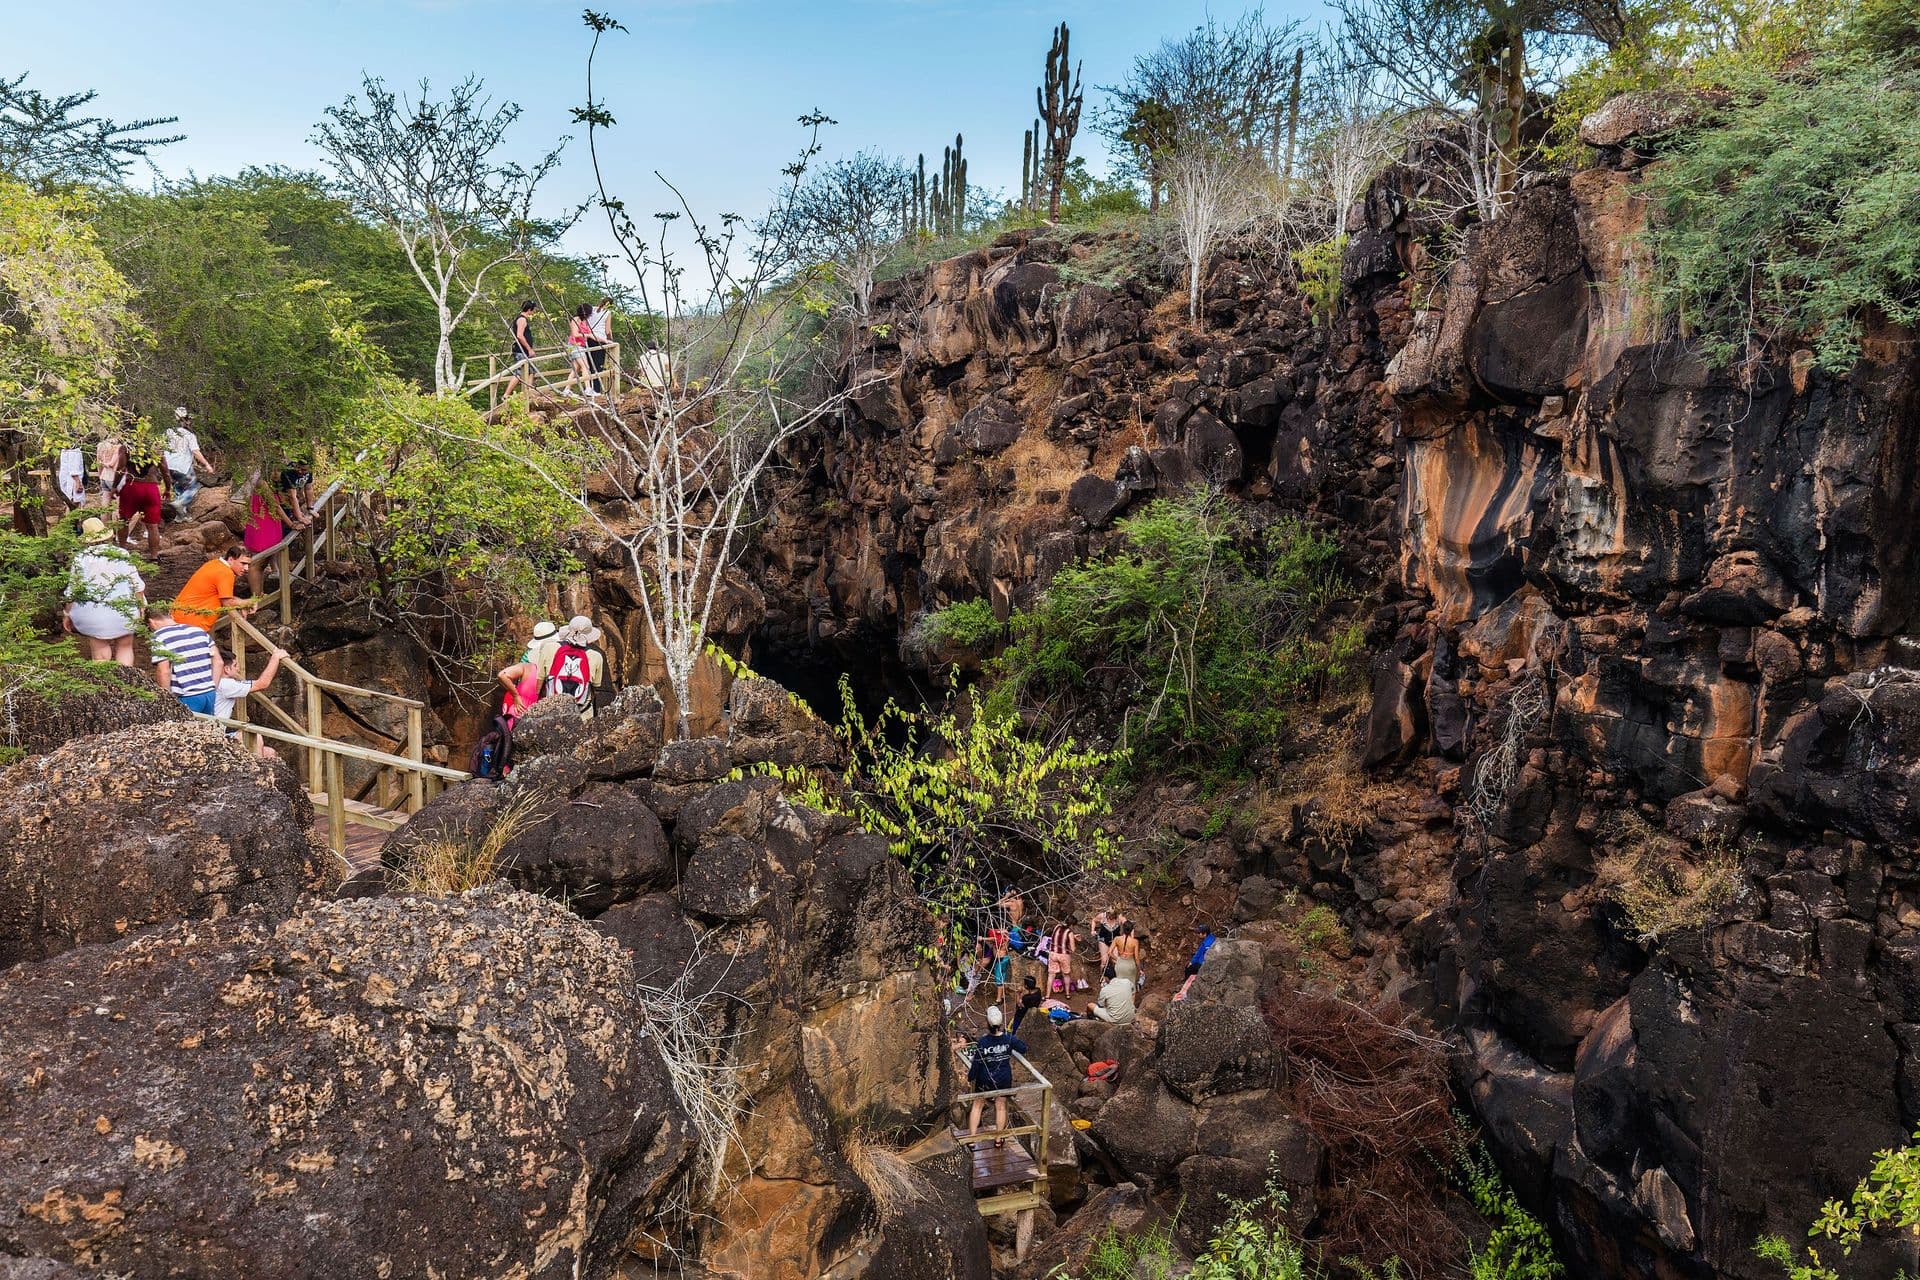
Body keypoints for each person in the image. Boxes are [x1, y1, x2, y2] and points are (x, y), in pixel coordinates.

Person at [62, 517, 145, 666]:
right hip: (124, 610)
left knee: (99, 652)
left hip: (93, 614)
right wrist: (140, 607)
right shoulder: (122, 554)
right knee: (125, 646)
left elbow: (73, 591)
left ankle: (105, 685)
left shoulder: (81, 558)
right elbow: (137, 586)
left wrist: (67, 613)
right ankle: (126, 682)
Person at [964, 1005, 1028, 1146]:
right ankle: (998, 1139)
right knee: (1001, 1105)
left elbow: (977, 1063)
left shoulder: (983, 1042)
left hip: (985, 1078)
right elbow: (1023, 1048)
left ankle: (972, 1139)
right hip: (1003, 1077)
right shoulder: (1009, 1039)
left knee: (977, 1105)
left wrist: (970, 1077)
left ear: (987, 1024)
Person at [211, 646, 288, 758]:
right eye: (235, 665)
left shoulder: (220, 683)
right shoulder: (225, 684)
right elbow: (263, 683)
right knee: (255, 736)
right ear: (227, 669)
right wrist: (275, 658)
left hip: (220, 733)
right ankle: (257, 774)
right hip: (216, 737)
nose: (238, 669)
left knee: (269, 752)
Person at [149, 605, 222, 715]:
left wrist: (166, 698)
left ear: (151, 622)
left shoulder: (159, 637)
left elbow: (163, 671)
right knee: (207, 730)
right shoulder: (199, 631)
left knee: (182, 730)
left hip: (186, 696)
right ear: (171, 616)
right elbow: (218, 662)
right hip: (209, 693)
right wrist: (212, 687)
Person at [541, 614, 609, 717]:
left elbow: (539, 680)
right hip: (581, 712)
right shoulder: (596, 656)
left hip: (552, 709)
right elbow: (596, 686)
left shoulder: (549, 648)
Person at [172, 546, 254, 630]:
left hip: (179, 617)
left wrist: (241, 604)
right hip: (190, 624)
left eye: (248, 565)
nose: (246, 568)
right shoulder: (225, 573)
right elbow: (228, 602)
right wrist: (249, 602)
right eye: (243, 563)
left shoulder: (214, 563)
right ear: (231, 560)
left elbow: (224, 597)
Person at [116, 445, 168, 557]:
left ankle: (122, 550)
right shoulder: (157, 448)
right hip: (151, 488)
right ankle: (154, 555)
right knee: (152, 525)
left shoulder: (127, 447)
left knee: (124, 520)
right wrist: (168, 488)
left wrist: (114, 487)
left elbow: (121, 468)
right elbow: (165, 471)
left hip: (132, 486)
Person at [241, 480, 289, 596]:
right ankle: (256, 598)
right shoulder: (261, 482)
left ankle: (261, 593)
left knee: (266, 559)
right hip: (262, 527)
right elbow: (275, 505)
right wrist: (291, 524)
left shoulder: (274, 482)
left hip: (270, 524)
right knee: (257, 564)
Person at [164, 408, 213, 516]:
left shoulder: (168, 432)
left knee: (178, 488)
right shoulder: (189, 435)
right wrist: (207, 464)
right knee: (193, 487)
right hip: (182, 466)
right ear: (186, 420)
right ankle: (180, 503)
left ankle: (180, 516)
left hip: (168, 466)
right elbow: (195, 452)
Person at [501, 301, 540, 399]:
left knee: (531, 371)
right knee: (519, 373)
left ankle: (528, 392)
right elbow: (520, 335)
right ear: (529, 309)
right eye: (534, 309)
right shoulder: (522, 319)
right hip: (521, 351)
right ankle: (506, 395)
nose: (534, 311)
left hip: (523, 351)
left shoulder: (522, 319)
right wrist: (529, 349)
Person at [1087, 957, 1138, 1026]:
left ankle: (1092, 1021)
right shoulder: (1126, 982)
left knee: (1090, 1005)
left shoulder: (1105, 990)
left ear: (1106, 978)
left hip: (1115, 1020)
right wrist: (1132, 1004)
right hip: (1131, 1017)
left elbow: (1100, 1005)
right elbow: (1133, 991)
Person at [561, 303, 597, 398]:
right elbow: (575, 334)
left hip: (581, 346)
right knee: (586, 366)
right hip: (574, 346)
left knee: (576, 369)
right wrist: (588, 336)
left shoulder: (585, 322)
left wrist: (604, 340)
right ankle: (588, 389)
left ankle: (567, 389)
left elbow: (590, 334)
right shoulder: (575, 319)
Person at [1175, 925, 1218, 1002]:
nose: (1197, 935)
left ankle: (1187, 984)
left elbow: (1202, 955)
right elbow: (1198, 953)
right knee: (1189, 966)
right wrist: (1192, 961)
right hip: (1202, 962)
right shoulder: (1210, 938)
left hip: (1203, 964)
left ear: (1204, 934)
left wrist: (1194, 963)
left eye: (1199, 933)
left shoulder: (1207, 944)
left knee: (1188, 968)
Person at [586, 295, 614, 394]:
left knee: (588, 365)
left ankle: (588, 388)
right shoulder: (608, 312)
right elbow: (607, 330)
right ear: (610, 305)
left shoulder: (592, 310)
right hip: (600, 339)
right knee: (598, 365)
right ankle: (596, 390)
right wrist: (610, 338)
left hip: (588, 338)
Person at [1047, 922, 1078, 995]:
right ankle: (1067, 994)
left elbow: (1059, 937)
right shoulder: (1069, 932)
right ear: (1071, 925)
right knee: (1066, 975)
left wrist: (1073, 936)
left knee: (1051, 975)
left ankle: (1047, 995)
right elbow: (1073, 949)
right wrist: (1074, 940)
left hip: (1053, 954)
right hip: (1064, 955)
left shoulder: (1057, 926)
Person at [94, 436, 125, 506]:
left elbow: (99, 464)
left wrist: (100, 476)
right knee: (118, 502)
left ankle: (104, 517)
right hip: (113, 478)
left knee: (105, 500)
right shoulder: (118, 447)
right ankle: (117, 517)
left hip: (104, 477)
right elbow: (113, 464)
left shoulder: (101, 446)